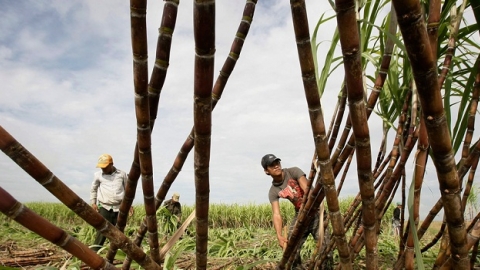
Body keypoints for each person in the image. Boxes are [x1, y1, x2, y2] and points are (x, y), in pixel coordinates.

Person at [262, 154, 319, 270]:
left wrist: (308, 208)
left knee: (325, 246)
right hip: (299, 214)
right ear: (266, 171)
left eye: (277, 163)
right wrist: (278, 235)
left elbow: (307, 190)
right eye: (272, 165)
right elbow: (276, 214)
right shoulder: (273, 191)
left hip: (315, 211)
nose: (276, 166)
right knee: (291, 248)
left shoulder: (293, 171)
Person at [90, 154, 133, 251]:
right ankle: (95, 252)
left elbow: (127, 190)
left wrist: (129, 205)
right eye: (101, 167)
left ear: (111, 164)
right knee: (102, 231)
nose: (103, 169)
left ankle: (116, 253)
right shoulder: (98, 175)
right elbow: (93, 189)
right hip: (104, 207)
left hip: (120, 208)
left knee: (118, 233)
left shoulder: (122, 174)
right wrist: (93, 203)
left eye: (105, 167)